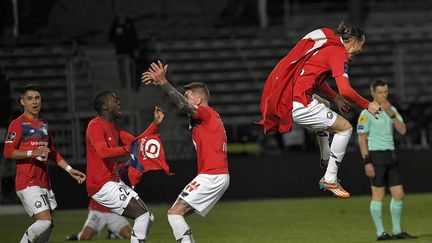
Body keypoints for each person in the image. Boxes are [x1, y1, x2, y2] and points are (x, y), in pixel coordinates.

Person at [257, 21, 381, 198]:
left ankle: (325, 156)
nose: (360, 51)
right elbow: (345, 89)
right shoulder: (339, 53)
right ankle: (330, 178)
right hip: (299, 103)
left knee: (325, 104)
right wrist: (367, 104)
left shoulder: (326, 45)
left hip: (288, 97)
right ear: (353, 42)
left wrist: (335, 97)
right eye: (360, 46)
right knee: (345, 129)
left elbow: (319, 79)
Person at [142, 61, 230, 243]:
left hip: (212, 176)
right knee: (175, 213)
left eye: (188, 96)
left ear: (198, 100)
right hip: (215, 175)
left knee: (174, 213)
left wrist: (163, 82)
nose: (184, 98)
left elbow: (183, 106)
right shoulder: (211, 116)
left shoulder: (206, 113)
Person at [3, 84, 86, 243]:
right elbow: (8, 152)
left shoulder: (44, 125)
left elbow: (52, 151)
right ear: (22, 102)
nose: (34, 102)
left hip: (44, 183)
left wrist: (69, 169)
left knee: (48, 227)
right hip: (27, 182)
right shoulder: (18, 124)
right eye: (29, 99)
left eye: (37, 98)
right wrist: (31, 153)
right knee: (44, 221)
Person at [85, 90, 164, 243]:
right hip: (101, 185)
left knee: (149, 218)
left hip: (112, 181)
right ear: (106, 106)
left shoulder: (114, 127)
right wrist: (127, 149)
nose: (119, 103)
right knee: (143, 216)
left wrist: (154, 125)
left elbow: (136, 143)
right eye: (115, 100)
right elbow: (102, 152)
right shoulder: (95, 125)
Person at [357, 79, 416, 241]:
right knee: (378, 195)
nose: (384, 95)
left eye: (386, 92)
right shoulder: (366, 112)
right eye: (380, 92)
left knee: (399, 193)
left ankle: (397, 231)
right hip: (376, 157)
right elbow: (362, 139)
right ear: (373, 93)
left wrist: (392, 114)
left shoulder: (392, 109)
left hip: (391, 155)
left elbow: (403, 131)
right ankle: (380, 233)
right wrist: (367, 161)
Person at [66, 198, 132, 241]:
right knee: (85, 237)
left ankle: (114, 234)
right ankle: (77, 236)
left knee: (130, 235)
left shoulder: (116, 176)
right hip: (97, 210)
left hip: (112, 211)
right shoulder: (97, 177)